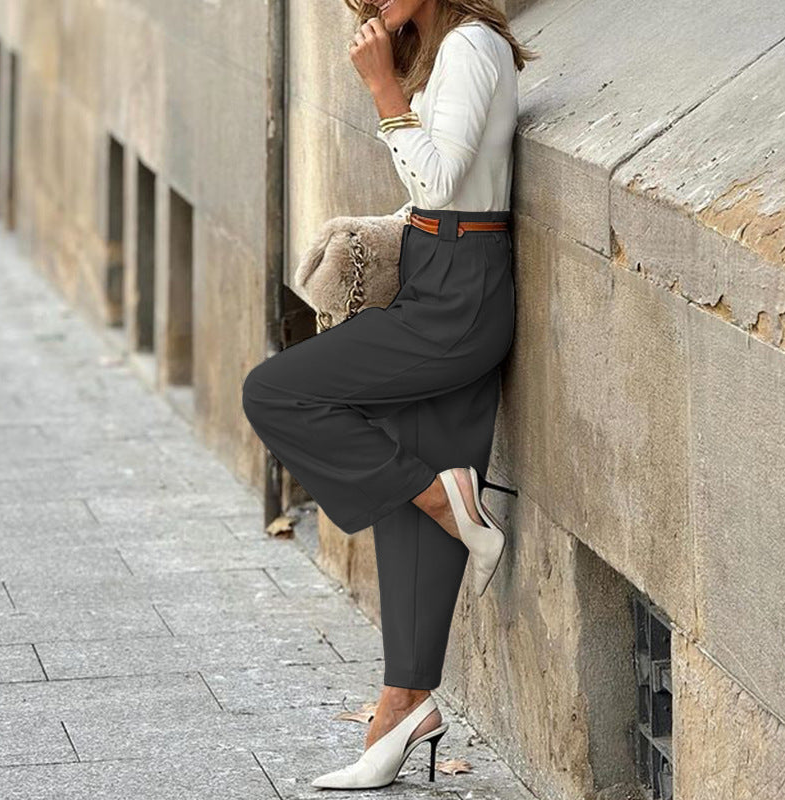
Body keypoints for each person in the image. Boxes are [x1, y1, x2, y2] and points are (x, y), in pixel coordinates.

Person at [241, 0, 536, 790]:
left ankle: (448, 499)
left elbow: (441, 182)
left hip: (460, 295)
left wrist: (383, 90)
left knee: (276, 392)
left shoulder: (471, 46)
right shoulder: (441, 48)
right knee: (407, 496)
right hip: (438, 271)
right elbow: (441, 189)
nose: (369, 3)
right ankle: (404, 707)